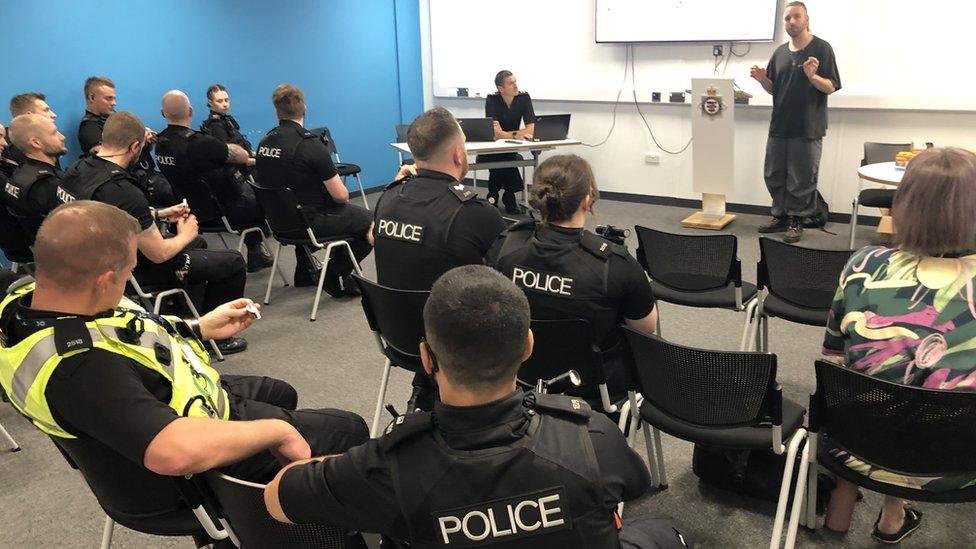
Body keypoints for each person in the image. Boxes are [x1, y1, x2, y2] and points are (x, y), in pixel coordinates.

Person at [0, 200, 369, 545]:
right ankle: (290, 530)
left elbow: (120, 328)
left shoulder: (32, 297)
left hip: (170, 403)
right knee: (347, 429)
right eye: (128, 272)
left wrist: (199, 327)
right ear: (103, 279)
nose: (129, 280)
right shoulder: (79, 369)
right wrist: (278, 430)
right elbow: (173, 453)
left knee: (279, 392)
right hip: (179, 476)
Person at [264, 265, 651, 547]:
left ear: (426, 358)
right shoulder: (592, 435)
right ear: (528, 347)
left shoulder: (386, 469)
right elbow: (635, 484)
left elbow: (276, 499)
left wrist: (308, 457)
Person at [820, 148, 976, 543]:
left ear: (903, 205)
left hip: (864, 449)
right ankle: (892, 516)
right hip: (961, 465)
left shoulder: (864, 265)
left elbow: (837, 358)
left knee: (891, 391)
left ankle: (891, 513)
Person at [58, 111, 250, 355]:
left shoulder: (78, 171)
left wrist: (158, 214)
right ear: (136, 146)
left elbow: (112, 213)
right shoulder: (124, 190)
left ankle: (183, 318)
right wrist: (186, 233)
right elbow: (159, 254)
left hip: (91, 261)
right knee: (232, 261)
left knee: (200, 245)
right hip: (131, 270)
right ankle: (213, 338)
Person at [489, 154, 658, 408]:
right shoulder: (615, 264)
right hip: (598, 399)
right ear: (587, 200)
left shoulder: (505, 248)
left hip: (520, 385)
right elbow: (646, 328)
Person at [374, 106, 507, 411]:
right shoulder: (475, 212)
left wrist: (397, 184)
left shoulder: (389, 197)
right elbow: (510, 271)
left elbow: (373, 236)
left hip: (398, 337)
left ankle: (424, 388)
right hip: (457, 347)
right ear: (459, 155)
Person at [255, 84, 372, 294]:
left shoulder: (263, 144)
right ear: (304, 109)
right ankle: (330, 272)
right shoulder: (310, 145)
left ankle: (304, 272)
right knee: (371, 221)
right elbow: (342, 196)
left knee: (301, 204)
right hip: (308, 223)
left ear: (277, 111)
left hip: (278, 223)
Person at [750, 1, 840, 243]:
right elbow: (774, 89)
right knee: (774, 174)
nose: (791, 22)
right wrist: (762, 80)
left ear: (806, 19)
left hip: (808, 126)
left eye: (796, 17)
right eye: (787, 18)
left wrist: (812, 76)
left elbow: (831, 86)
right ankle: (779, 215)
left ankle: (796, 219)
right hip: (779, 125)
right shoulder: (779, 53)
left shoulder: (822, 48)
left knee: (802, 177)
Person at [154, 90, 272, 271]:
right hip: (224, 212)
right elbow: (241, 155)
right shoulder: (199, 143)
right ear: (190, 111)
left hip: (193, 213)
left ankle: (257, 251)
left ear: (163, 113)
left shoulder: (161, 145)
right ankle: (304, 260)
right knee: (277, 199)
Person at [78, 76, 174, 206]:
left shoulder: (115, 120)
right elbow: (107, 159)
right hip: (134, 183)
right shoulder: (89, 128)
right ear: (92, 98)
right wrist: (138, 139)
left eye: (114, 98)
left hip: (149, 175)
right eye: (109, 98)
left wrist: (145, 141)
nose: (114, 103)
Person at [480, 70, 535, 214]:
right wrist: (516, 135)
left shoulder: (523, 98)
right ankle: (509, 195)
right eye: (511, 83)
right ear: (500, 88)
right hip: (495, 148)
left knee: (505, 157)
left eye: (515, 82)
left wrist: (507, 135)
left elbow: (531, 128)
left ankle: (493, 195)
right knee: (503, 157)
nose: (515, 85)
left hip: (510, 147)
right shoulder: (492, 99)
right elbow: (495, 133)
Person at [3, 114, 66, 238]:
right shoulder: (47, 185)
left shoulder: (17, 174)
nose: (62, 137)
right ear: (36, 143)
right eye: (54, 133)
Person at [3, 92, 59, 169]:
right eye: (46, 110)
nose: (54, 115)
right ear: (30, 116)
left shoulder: (44, 138)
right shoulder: (16, 148)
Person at [200, 84, 253, 152]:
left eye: (226, 100)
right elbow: (226, 154)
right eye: (219, 101)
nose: (225, 104)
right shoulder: (215, 125)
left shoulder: (227, 120)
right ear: (210, 103)